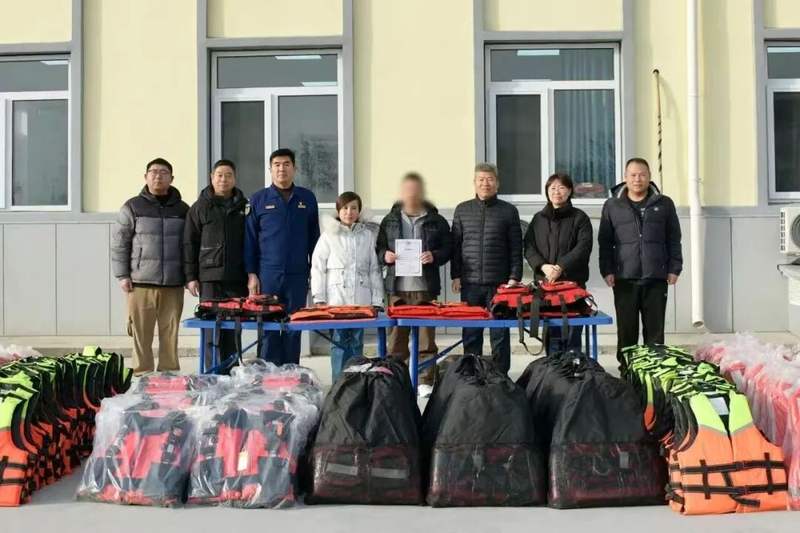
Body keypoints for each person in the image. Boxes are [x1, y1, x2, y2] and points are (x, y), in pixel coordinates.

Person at [598, 157, 682, 366]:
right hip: (624, 278)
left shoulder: (664, 203)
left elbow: (674, 238)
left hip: (656, 277)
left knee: (655, 334)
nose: (638, 179)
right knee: (627, 332)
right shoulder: (612, 205)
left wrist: (674, 268)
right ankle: (627, 373)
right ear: (625, 177)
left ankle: (653, 375)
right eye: (633, 175)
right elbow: (605, 242)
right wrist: (607, 270)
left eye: (642, 174)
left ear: (649, 177)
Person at [111, 157, 189, 376]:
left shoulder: (183, 209)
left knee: (170, 333)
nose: (158, 176)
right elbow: (120, 243)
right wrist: (122, 275)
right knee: (140, 334)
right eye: (153, 172)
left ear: (172, 178)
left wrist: (189, 275)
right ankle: (142, 373)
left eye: (164, 172)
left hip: (173, 283)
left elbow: (189, 245)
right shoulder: (132, 207)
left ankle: (169, 373)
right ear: (145, 177)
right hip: (140, 283)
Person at [376, 172, 452, 395]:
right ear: (401, 193)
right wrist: (385, 255)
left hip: (425, 288)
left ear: (422, 192)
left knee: (426, 340)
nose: (411, 194)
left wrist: (434, 256)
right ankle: (397, 380)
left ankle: (425, 380)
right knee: (396, 340)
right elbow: (379, 248)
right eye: (407, 190)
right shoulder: (389, 220)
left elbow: (448, 248)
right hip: (397, 288)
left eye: (415, 190)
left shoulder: (436, 220)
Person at [244, 148, 320, 365]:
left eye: (286, 164)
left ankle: (291, 375)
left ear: (294, 168)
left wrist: (315, 272)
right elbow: (250, 240)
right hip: (268, 275)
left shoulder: (307, 198)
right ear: (270, 169)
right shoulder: (258, 199)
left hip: (298, 275)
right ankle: (267, 376)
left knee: (293, 327)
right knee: (268, 329)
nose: (281, 169)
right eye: (277, 165)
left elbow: (315, 239)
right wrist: (251, 274)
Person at [451, 162, 523, 374]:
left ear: (497, 183)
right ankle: (472, 376)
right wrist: (456, 275)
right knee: (471, 334)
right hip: (470, 283)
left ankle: (500, 377)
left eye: (490, 179)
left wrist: (514, 276)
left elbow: (516, 246)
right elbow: (456, 246)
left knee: (499, 335)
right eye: (481, 179)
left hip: (500, 285)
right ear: (474, 183)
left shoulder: (508, 211)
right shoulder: (462, 210)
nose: (485, 183)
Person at [183, 159, 249, 369]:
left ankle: (232, 371)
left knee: (233, 329)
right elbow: (189, 243)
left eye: (228, 175)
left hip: (237, 278)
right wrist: (191, 277)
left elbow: (252, 242)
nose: (223, 179)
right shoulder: (199, 207)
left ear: (234, 179)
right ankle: (212, 374)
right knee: (211, 329)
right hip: (209, 279)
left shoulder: (245, 206)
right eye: (219, 175)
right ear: (212, 178)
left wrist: (251, 273)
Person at [311, 192, 383, 381]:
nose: (349, 212)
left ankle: (356, 384)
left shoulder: (367, 236)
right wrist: (319, 297)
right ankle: (338, 384)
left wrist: (377, 300)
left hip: (361, 301)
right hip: (336, 301)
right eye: (345, 208)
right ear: (338, 210)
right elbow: (317, 267)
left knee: (357, 343)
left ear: (359, 211)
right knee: (339, 343)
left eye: (353, 208)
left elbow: (374, 269)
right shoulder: (329, 235)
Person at [523, 173, 593, 355]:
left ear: (569, 191)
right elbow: (529, 247)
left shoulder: (580, 218)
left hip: (573, 287)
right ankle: (553, 370)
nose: (557, 192)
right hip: (547, 287)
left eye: (561, 188)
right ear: (547, 191)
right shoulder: (538, 219)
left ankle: (573, 369)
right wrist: (543, 266)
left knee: (572, 337)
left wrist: (561, 266)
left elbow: (583, 247)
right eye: (552, 188)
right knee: (552, 337)